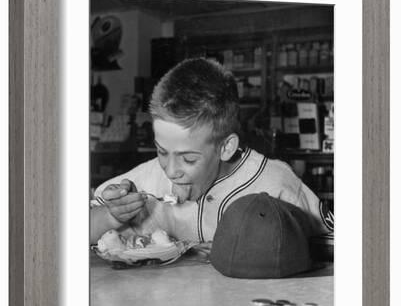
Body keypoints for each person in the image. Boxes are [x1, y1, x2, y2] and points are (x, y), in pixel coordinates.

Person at [90, 58, 333, 245]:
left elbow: (334, 247)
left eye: (188, 158)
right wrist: (111, 216)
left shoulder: (275, 183)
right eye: (162, 151)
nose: (171, 171)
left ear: (226, 147)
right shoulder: (146, 180)